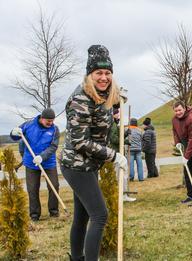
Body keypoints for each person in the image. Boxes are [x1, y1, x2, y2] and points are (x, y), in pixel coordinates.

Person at [59, 45, 128, 261]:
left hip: (89, 165)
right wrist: (113, 155)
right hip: (77, 166)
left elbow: (105, 109)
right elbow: (80, 141)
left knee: (82, 216)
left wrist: (118, 103)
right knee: (99, 215)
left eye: (108, 73)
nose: (104, 77)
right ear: (90, 74)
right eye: (99, 73)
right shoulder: (81, 99)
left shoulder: (104, 94)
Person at [10, 108, 60, 221]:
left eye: (52, 121)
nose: (50, 123)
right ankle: (34, 215)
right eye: (48, 121)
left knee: (54, 185)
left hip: (48, 162)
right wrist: (13, 133)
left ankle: (54, 212)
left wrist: (42, 157)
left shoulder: (55, 130)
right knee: (32, 188)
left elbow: (53, 146)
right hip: (31, 162)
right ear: (41, 118)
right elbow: (17, 136)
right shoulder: (28, 125)